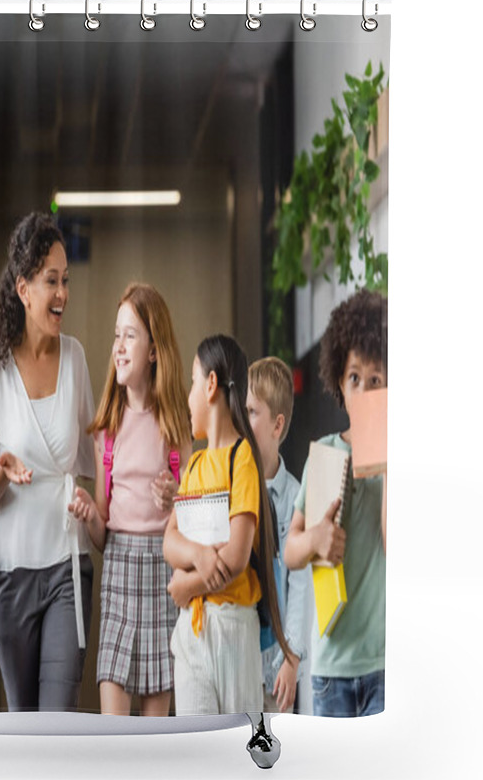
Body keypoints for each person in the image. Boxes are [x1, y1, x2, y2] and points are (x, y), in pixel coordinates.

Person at [0, 212, 95, 712]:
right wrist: (3, 473)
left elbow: (90, 465)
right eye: (51, 281)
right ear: (23, 289)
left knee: (58, 720)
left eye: (65, 280)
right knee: (23, 722)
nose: (62, 292)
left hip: (68, 563)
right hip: (11, 573)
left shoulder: (77, 358)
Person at [68, 283, 192, 716]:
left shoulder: (177, 429)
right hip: (119, 573)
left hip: (163, 572)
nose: (118, 347)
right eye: (116, 336)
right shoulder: (108, 428)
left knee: (154, 737)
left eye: (131, 336)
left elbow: (197, 523)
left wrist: (179, 497)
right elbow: (102, 535)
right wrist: (89, 515)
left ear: (155, 351)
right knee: (114, 731)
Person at [163, 334, 292, 715]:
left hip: (234, 631)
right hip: (191, 631)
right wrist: (201, 554)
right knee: (195, 754)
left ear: (212, 385)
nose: (188, 397)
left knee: (237, 753)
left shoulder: (243, 460)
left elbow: (237, 555)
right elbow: (170, 540)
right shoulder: (196, 466)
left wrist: (186, 582)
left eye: (192, 381)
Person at [284, 289, 387, 717]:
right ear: (339, 384)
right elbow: (290, 551)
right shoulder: (324, 453)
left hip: (384, 663)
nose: (363, 390)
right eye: (354, 378)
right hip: (331, 670)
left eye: (376, 380)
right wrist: (315, 540)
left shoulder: (401, 460)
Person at [247, 357, 313, 714]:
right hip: (239, 658)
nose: (244, 420)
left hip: (277, 668)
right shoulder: (235, 488)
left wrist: (292, 657)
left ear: (277, 425)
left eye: (253, 412)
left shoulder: (294, 497)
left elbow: (301, 583)